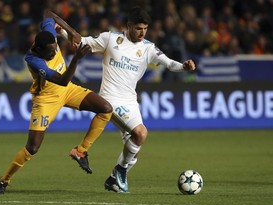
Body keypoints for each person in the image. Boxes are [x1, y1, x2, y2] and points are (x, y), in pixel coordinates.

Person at [53, 7, 196, 193]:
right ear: (128, 26)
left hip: (130, 101)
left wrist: (183, 67)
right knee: (141, 133)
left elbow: (169, 63)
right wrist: (64, 32)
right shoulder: (110, 39)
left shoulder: (148, 48)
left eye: (145, 28)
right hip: (110, 99)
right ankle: (119, 171)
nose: (142, 32)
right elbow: (83, 43)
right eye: (138, 28)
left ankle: (113, 180)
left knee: (136, 145)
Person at [0, 12, 113, 195]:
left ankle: (80, 151)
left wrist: (71, 32)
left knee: (105, 109)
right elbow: (63, 80)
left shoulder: (49, 35)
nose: (53, 53)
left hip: (68, 91)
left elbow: (48, 14)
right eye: (49, 52)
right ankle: (4, 181)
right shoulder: (34, 61)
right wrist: (76, 59)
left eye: (54, 49)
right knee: (32, 147)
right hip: (46, 99)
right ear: (38, 49)